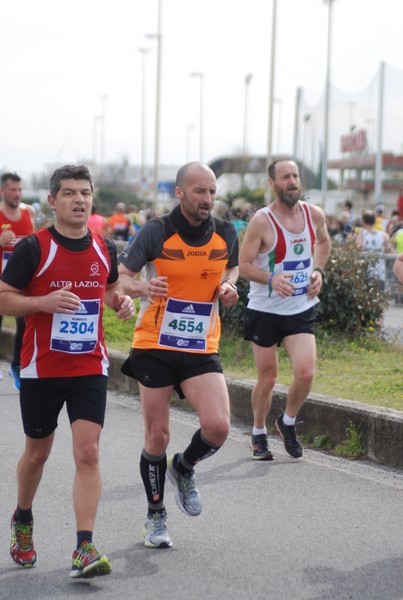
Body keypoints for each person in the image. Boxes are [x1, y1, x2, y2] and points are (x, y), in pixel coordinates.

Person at [0, 165, 135, 578]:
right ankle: (23, 517)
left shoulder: (104, 247)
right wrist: (42, 303)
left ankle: (84, 547)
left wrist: (120, 303)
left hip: (89, 364)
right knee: (38, 452)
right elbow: (4, 298)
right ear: (53, 201)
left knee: (88, 451)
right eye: (70, 193)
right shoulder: (33, 248)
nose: (79, 199)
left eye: (86, 193)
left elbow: (110, 288)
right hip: (42, 366)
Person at [118, 161, 239, 548]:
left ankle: (183, 468)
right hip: (155, 342)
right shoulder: (157, 230)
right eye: (200, 191)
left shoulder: (225, 232)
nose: (208, 199)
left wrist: (228, 288)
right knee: (158, 434)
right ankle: (155, 517)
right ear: (180, 192)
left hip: (201, 343)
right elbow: (121, 278)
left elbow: (231, 270)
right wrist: (143, 289)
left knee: (218, 427)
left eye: (213, 192)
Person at [239, 157, 330, 461]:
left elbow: (324, 244)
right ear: (272, 184)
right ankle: (258, 432)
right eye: (285, 177)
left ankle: (287, 422)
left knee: (305, 373)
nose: (292, 181)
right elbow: (244, 266)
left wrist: (318, 272)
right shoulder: (262, 221)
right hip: (265, 309)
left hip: (299, 308)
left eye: (295, 176)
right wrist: (271, 278)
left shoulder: (313, 214)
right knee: (268, 378)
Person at [0, 172, 35, 388]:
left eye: (20, 189)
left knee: (24, 320)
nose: (17, 194)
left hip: (21, 279)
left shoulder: (28, 212)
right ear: (3, 191)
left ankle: (17, 364)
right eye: (13, 190)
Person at [355, 210, 391, 291]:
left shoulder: (362, 233)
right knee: (380, 299)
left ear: (363, 221)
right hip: (380, 273)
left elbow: (357, 247)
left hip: (366, 273)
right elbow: (389, 250)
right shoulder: (384, 235)